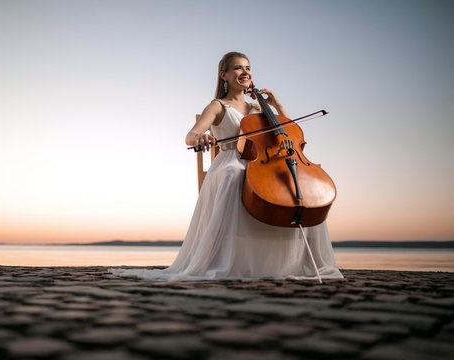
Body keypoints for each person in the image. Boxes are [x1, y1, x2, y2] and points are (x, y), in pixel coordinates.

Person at [111, 52, 342, 281]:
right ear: (224, 75)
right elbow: (190, 136)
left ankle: (304, 261)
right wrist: (200, 138)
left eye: (248, 68)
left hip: (264, 161)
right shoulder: (218, 106)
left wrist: (277, 106)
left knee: (299, 185)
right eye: (238, 68)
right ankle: (226, 261)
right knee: (236, 173)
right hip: (230, 160)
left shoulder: (259, 109)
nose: (245, 72)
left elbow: (289, 132)